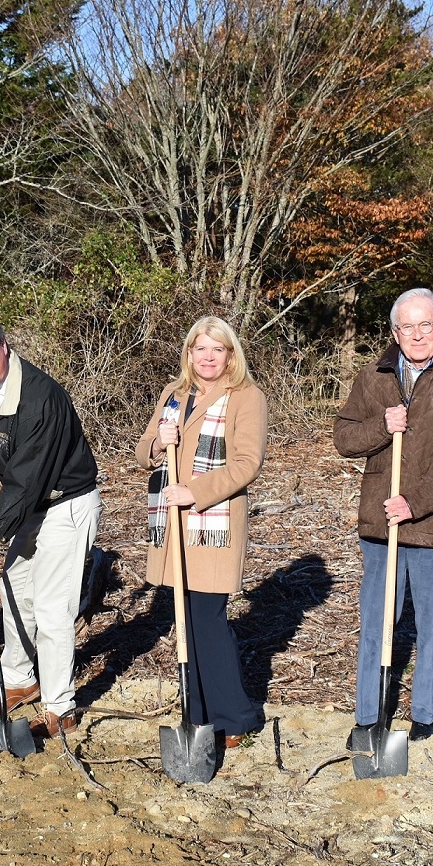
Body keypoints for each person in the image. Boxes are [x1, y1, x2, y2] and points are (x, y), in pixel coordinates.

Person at [333, 288, 433, 742]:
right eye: (407, 326)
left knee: (432, 620)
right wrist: (382, 427)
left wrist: (415, 501)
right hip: (381, 524)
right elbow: (344, 439)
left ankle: (422, 716)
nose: (417, 334)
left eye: (426, 325)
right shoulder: (374, 377)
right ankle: (368, 717)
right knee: (377, 619)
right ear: (394, 331)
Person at [0, 311, 103, 739]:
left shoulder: (39, 398)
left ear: (4, 346)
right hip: (32, 507)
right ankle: (19, 680)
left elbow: (27, 479)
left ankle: (60, 707)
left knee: (54, 609)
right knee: (15, 588)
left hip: (65, 505)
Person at [136, 316, 266, 749]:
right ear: (189, 352)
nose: (208, 358)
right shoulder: (175, 394)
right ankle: (199, 711)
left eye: (217, 350)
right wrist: (160, 438)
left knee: (207, 620)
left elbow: (246, 463)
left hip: (213, 522)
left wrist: (193, 492)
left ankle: (234, 715)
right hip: (173, 524)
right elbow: (143, 453)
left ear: (231, 355)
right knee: (186, 620)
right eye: (200, 349)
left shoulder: (246, 397)